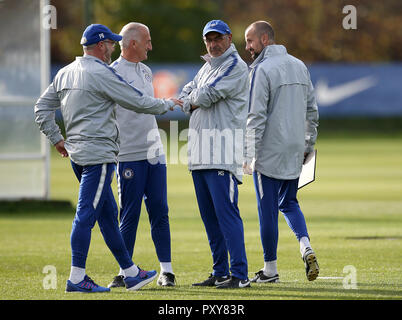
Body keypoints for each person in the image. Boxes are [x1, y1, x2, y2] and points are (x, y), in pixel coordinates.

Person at [34, 24, 182, 293]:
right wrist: (168, 104)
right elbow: (137, 101)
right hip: (98, 157)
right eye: (111, 44)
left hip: (78, 155)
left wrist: (57, 138)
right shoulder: (102, 72)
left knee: (107, 216)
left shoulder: (66, 71)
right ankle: (77, 277)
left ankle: (130, 272)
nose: (114, 48)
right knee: (86, 215)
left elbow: (41, 108)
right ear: (101, 46)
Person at [243, 21, 320, 283]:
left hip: (269, 151)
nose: (247, 47)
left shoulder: (261, 70)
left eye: (250, 41)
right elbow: (313, 112)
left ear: (265, 40)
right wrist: (308, 146)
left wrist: (247, 154)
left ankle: (270, 269)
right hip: (296, 148)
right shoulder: (299, 65)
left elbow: (255, 115)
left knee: (267, 209)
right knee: (288, 202)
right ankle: (305, 246)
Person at [179, 20, 250, 289]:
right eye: (209, 39)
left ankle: (240, 275)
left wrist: (191, 100)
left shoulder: (234, 65)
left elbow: (206, 96)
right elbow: (187, 93)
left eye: (218, 38)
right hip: (200, 153)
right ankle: (220, 271)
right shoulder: (207, 66)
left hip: (221, 151)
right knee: (210, 218)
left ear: (230, 38)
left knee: (227, 215)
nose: (213, 43)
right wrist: (191, 100)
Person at [107, 22, 175, 288]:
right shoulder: (112, 74)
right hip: (128, 155)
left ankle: (166, 271)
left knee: (160, 210)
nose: (150, 45)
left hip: (154, 153)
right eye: (147, 41)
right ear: (132, 43)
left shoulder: (146, 71)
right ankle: (126, 271)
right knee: (130, 214)